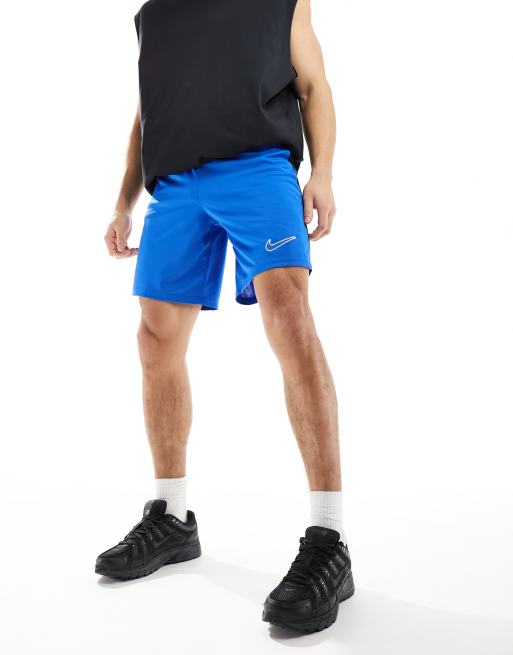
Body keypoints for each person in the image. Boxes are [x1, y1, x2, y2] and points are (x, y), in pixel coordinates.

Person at [97, 0, 354, 633]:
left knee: (289, 315)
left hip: (257, 168)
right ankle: (171, 517)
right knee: (155, 337)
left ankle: (329, 538)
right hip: (175, 184)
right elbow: (146, 111)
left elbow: (313, 84)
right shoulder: (154, 13)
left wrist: (322, 173)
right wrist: (123, 201)